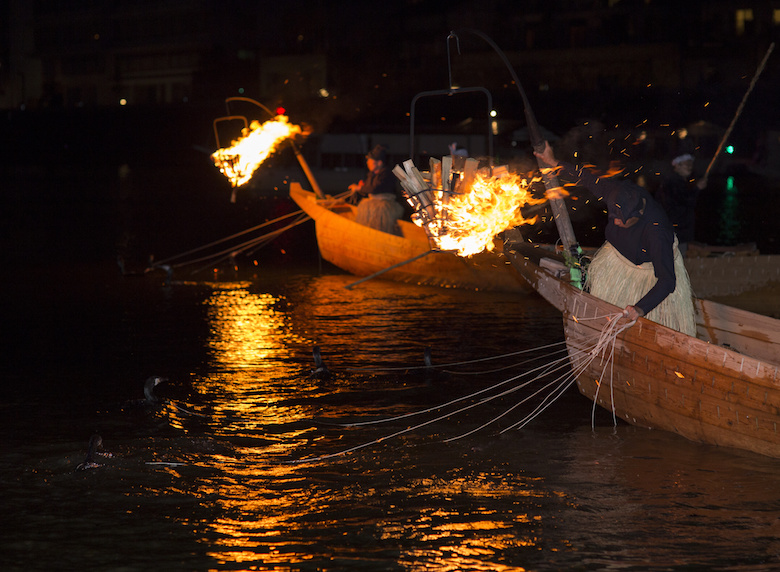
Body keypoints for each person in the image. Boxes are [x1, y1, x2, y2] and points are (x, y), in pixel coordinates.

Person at [534, 141, 695, 335]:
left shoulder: (657, 232)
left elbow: (667, 281)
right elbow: (586, 178)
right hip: (618, 262)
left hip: (645, 275)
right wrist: (554, 162)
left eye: (622, 220)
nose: (616, 222)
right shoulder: (616, 193)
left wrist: (640, 308)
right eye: (614, 216)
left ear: (637, 215)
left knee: (640, 330)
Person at [655, 153, 708, 256]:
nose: (690, 167)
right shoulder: (673, 182)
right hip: (675, 231)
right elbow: (683, 202)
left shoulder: (676, 181)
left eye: (691, 164)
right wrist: (697, 189)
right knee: (676, 260)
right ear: (677, 165)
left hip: (677, 232)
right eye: (686, 164)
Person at [349, 145, 404, 235]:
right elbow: (367, 189)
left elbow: (375, 188)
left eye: (371, 161)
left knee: (380, 219)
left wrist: (359, 188)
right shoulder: (371, 174)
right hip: (372, 201)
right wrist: (361, 187)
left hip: (384, 204)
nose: (368, 163)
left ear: (379, 163)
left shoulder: (386, 174)